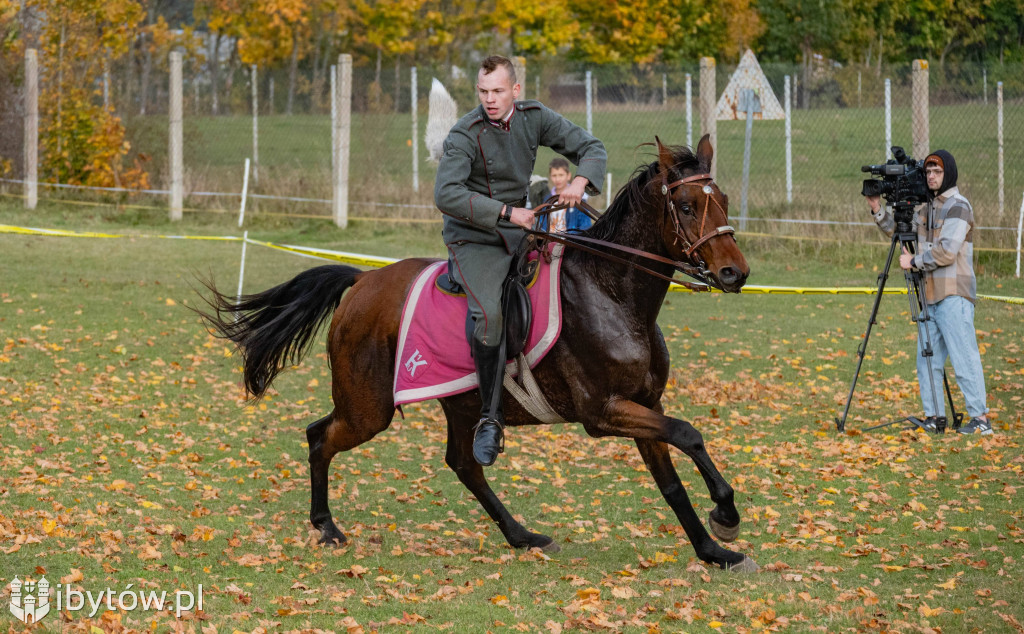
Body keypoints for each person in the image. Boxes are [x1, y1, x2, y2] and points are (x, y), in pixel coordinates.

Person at [434, 55, 607, 465]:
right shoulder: (464, 133)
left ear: (515, 91)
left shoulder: (535, 116)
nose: (489, 100)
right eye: (483, 92)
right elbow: (446, 194)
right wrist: (509, 213)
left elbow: (592, 147)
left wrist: (581, 181)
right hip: (473, 238)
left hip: (523, 229)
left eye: (497, 91)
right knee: (490, 315)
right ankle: (490, 419)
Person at [867, 150, 992, 435]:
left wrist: (914, 261)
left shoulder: (959, 206)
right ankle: (935, 417)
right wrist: (878, 209)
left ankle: (981, 419)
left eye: (937, 172)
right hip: (930, 296)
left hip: (954, 294)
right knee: (927, 360)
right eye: (928, 173)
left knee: (964, 358)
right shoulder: (926, 209)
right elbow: (899, 230)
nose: (932, 177)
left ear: (948, 173)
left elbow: (947, 250)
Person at [533, 158, 594, 233]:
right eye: (554, 175)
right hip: (549, 241)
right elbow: (542, 225)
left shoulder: (578, 199)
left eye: (561, 175)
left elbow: (586, 227)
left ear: (568, 176)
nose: (558, 179)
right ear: (550, 176)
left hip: (570, 241)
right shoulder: (547, 199)